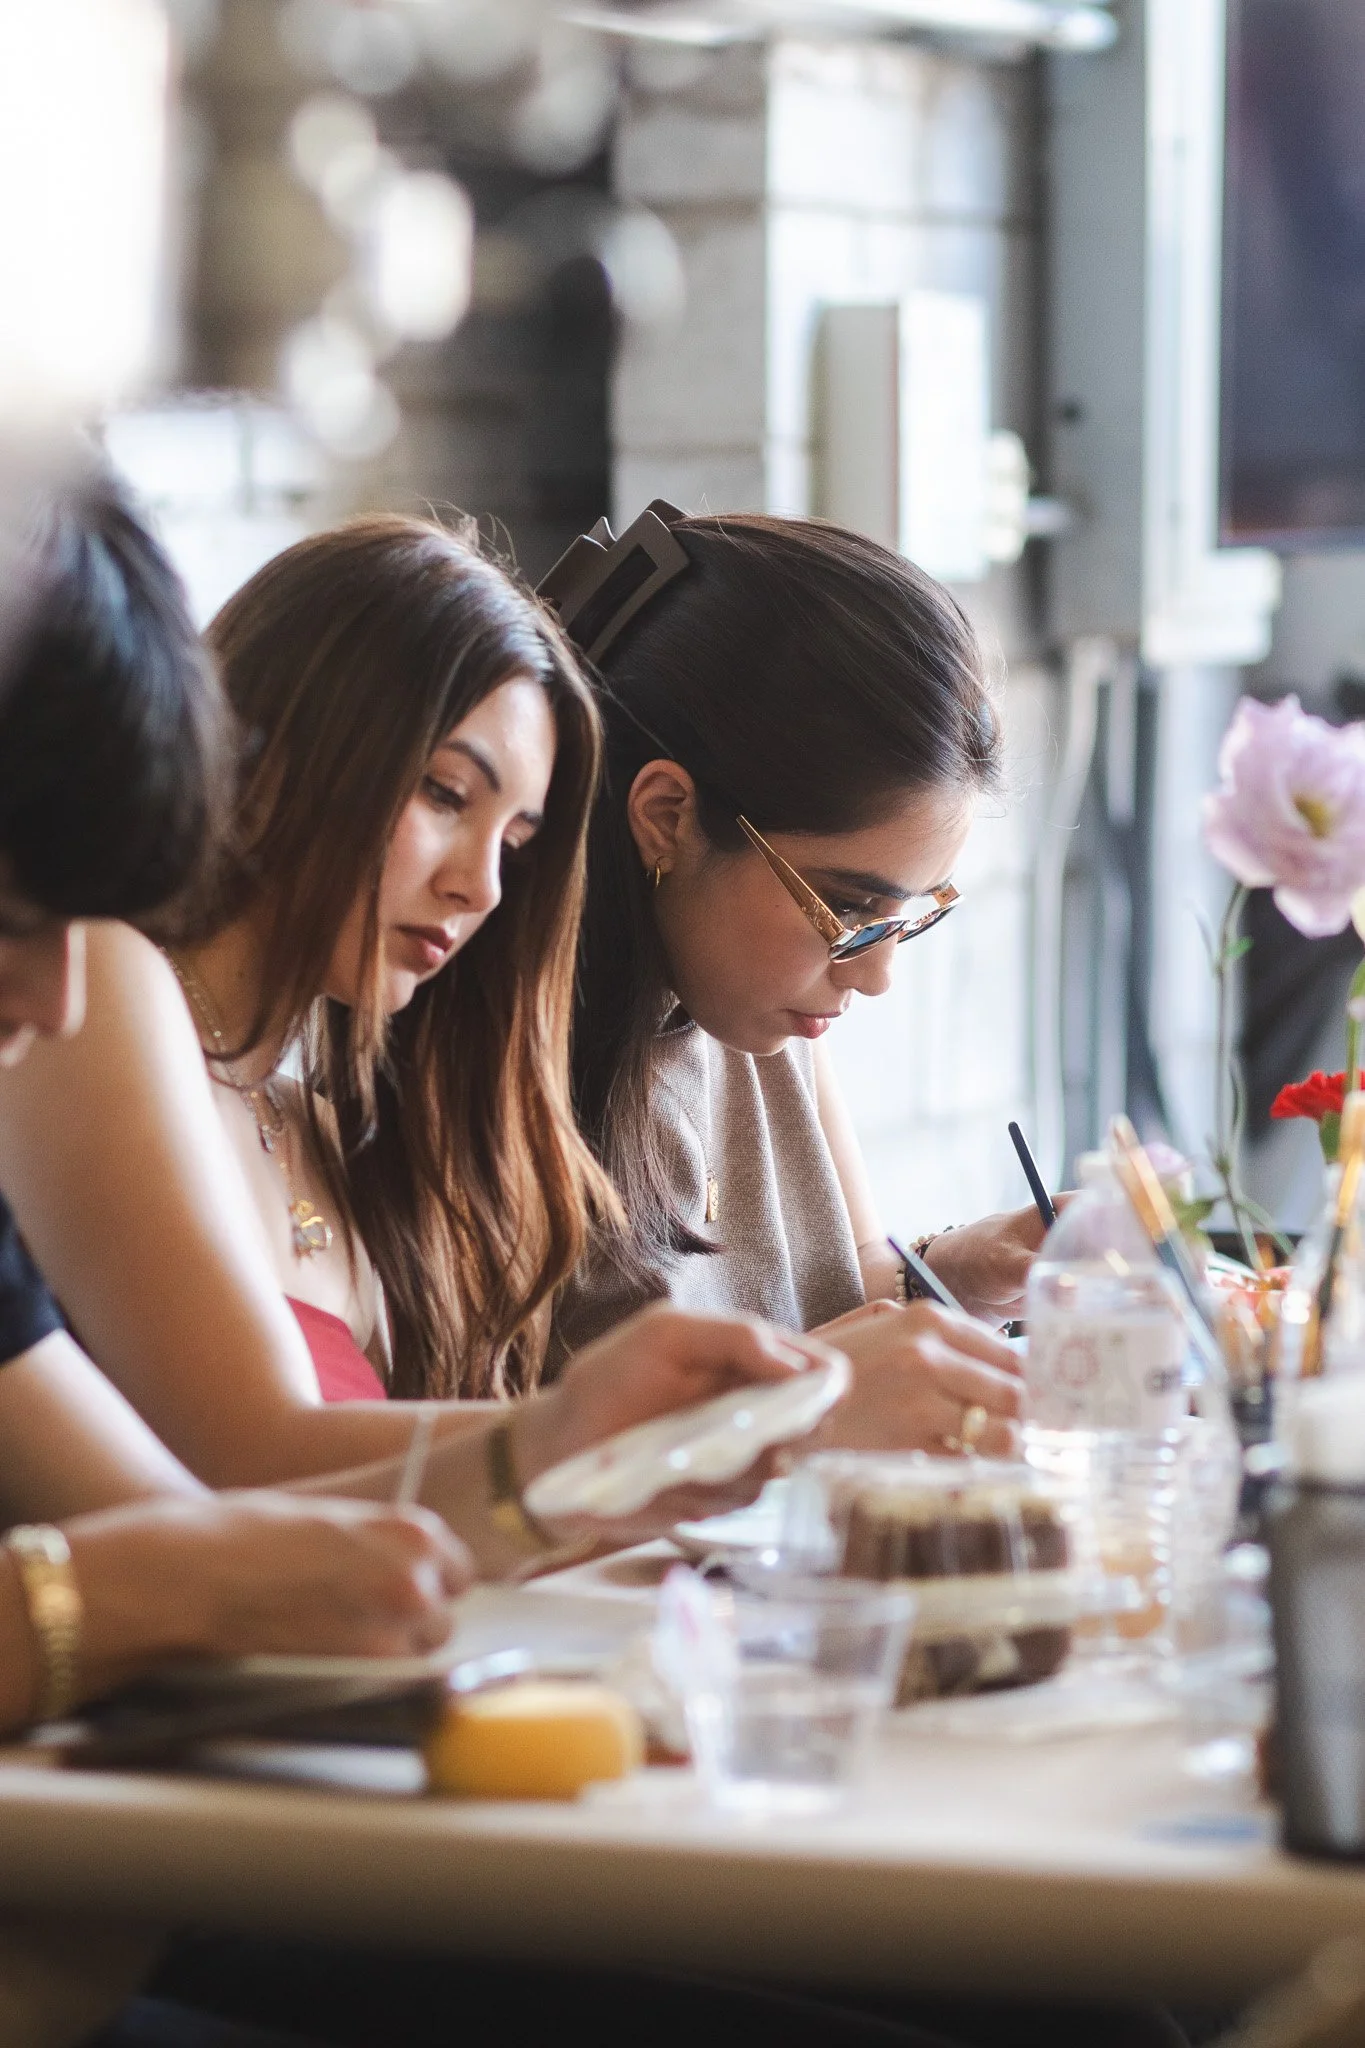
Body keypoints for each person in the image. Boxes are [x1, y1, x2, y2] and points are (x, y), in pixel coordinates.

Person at [544, 504, 1048, 1457]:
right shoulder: (488, 1057)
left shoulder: (750, 1003)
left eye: (903, 915)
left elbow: (827, 1288)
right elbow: (483, 1467)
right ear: (664, 816)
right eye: (849, 909)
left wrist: (958, 1270)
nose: (875, 975)